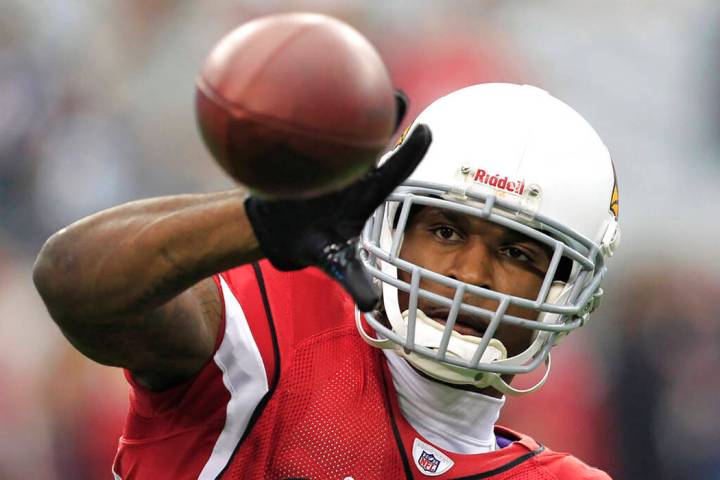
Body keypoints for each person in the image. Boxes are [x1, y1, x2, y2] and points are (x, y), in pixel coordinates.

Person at [33, 83, 620, 479]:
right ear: (388, 225)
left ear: (569, 290)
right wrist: (259, 220)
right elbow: (73, 280)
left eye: (518, 253)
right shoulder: (275, 328)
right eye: (444, 232)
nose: (469, 274)